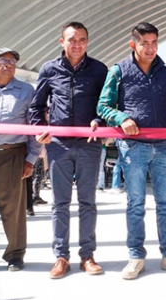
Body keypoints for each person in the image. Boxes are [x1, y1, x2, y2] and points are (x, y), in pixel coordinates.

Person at [96, 22, 166, 280]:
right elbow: (103, 105)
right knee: (135, 204)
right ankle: (136, 256)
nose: (150, 48)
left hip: (163, 147)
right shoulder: (118, 71)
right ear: (133, 44)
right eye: (144, 43)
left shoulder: (165, 73)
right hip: (133, 148)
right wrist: (121, 118)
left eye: (154, 43)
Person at [29, 22, 109, 279]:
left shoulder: (99, 70)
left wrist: (100, 120)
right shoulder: (49, 69)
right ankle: (61, 256)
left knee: (88, 202)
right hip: (59, 146)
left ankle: (87, 255)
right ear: (61, 41)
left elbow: (107, 104)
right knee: (60, 204)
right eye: (72, 40)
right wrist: (40, 130)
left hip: (89, 145)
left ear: (88, 42)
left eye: (82, 40)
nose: (77, 44)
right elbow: (36, 106)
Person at [0, 48, 42, 272]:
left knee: (13, 208)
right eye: (2, 60)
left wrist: (31, 159)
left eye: (12, 61)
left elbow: (35, 127)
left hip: (13, 154)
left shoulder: (26, 90)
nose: (8, 64)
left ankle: (15, 255)